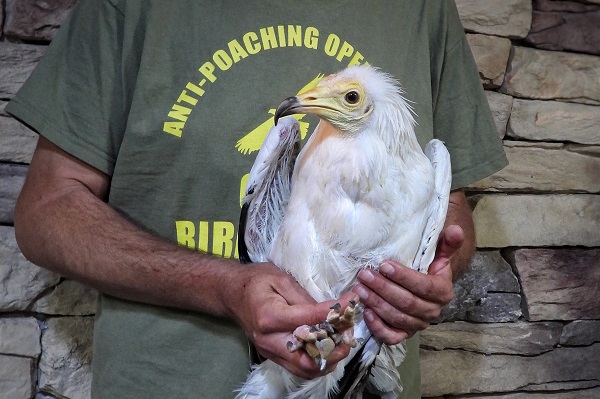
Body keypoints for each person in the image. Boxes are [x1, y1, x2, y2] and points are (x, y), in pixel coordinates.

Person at [7, 1, 507, 398]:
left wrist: (428, 277)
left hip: (355, 377)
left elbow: (446, 212)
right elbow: (48, 209)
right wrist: (224, 286)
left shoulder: (422, 7)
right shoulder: (128, 7)